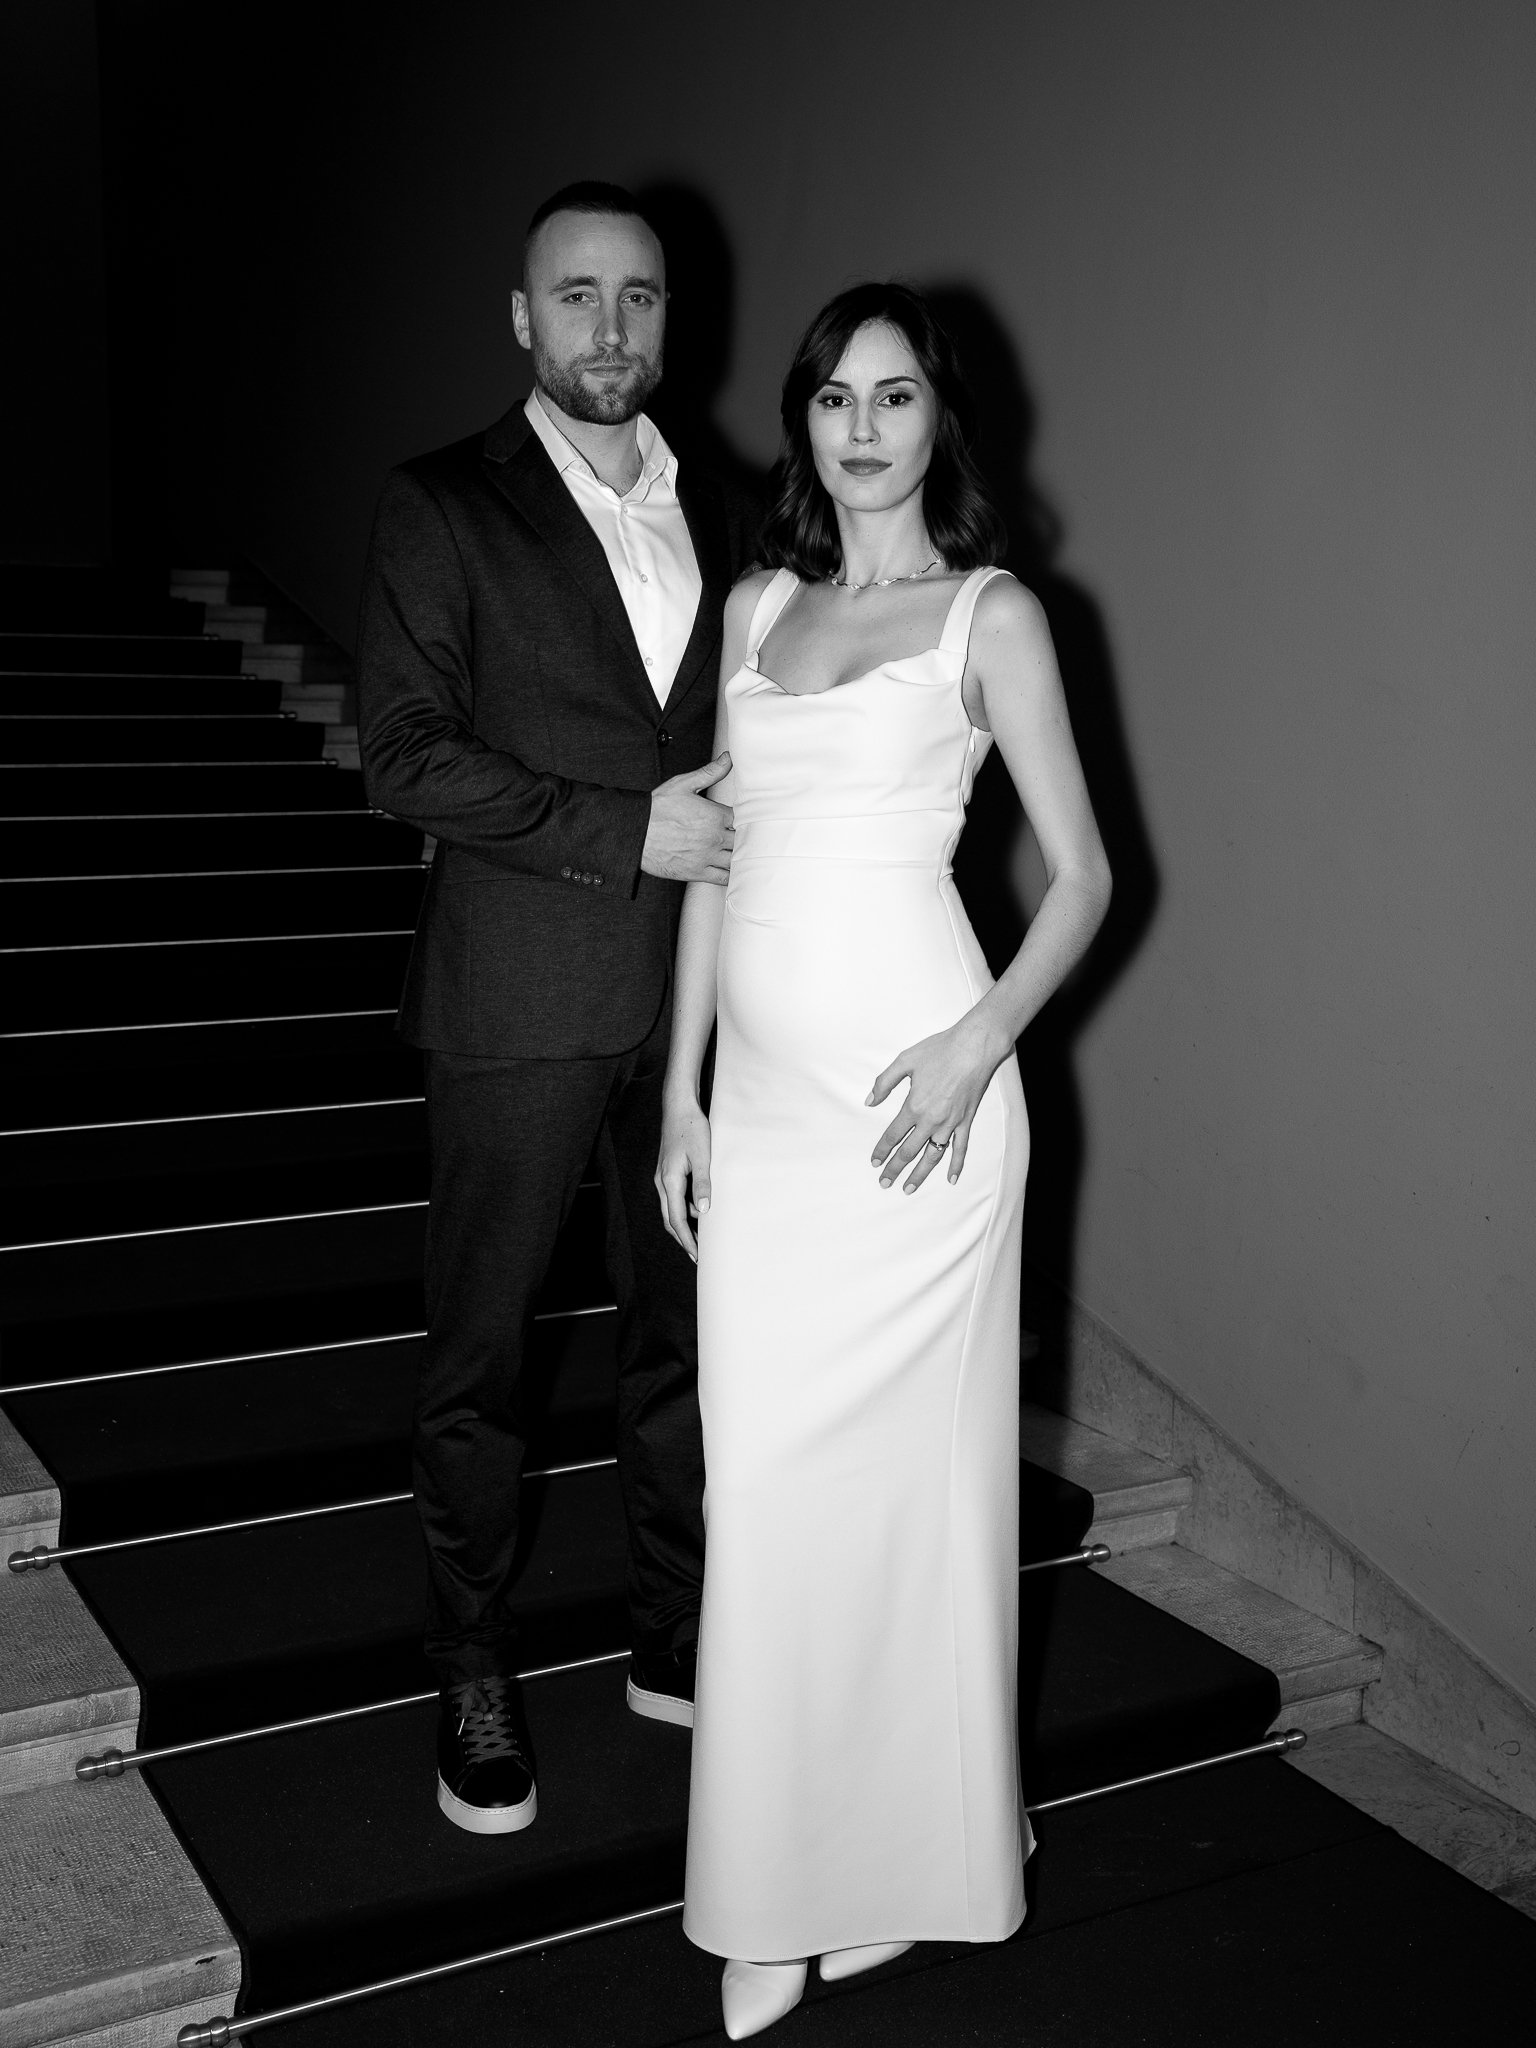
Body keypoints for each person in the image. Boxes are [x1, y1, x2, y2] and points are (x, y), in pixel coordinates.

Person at [657, 282, 1112, 2037]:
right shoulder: (757, 600)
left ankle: (833, 1891)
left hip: (920, 1124)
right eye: (835, 397)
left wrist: (974, 1042)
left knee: (902, 1521)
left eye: (896, 396)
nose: (862, 426)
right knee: (769, 1503)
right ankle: (821, 1865)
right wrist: (686, 1097)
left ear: (941, 422)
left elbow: (1080, 881)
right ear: (805, 419)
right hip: (765, 1134)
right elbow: (715, 849)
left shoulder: (992, 614)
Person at [358, 182, 758, 1836]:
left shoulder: (728, 505)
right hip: (517, 1004)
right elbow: (406, 754)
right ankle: (472, 1667)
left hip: (697, 1011)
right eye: (577, 297)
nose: (613, 330)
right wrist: (631, 829)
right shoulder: (443, 504)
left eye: (641, 298)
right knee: (484, 1367)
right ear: (524, 319)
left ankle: (678, 1634)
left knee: (680, 1345)